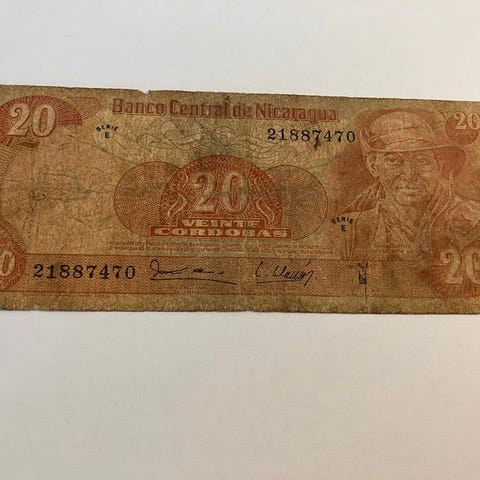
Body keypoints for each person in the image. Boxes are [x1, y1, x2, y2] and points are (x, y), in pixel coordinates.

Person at [340, 109, 480, 262]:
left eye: (421, 160)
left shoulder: (471, 221)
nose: (409, 174)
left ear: (439, 165)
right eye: (393, 160)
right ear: (373, 166)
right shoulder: (349, 230)